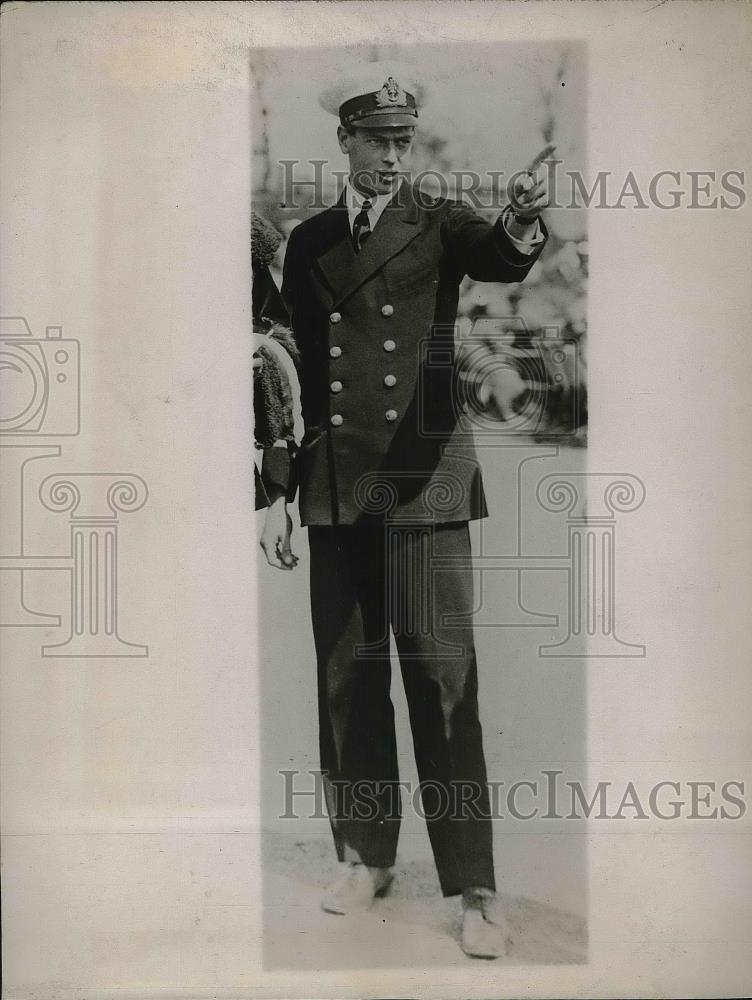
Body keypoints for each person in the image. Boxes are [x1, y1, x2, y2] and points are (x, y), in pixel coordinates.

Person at [260, 63, 551, 959]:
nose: (392, 154)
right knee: (347, 680)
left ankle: (475, 885)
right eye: (376, 139)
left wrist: (522, 217)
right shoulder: (308, 242)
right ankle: (366, 854)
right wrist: (277, 483)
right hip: (338, 487)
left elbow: (501, 254)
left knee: (441, 681)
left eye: (402, 139)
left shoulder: (440, 218)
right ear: (343, 141)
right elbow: (288, 370)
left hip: (423, 482)